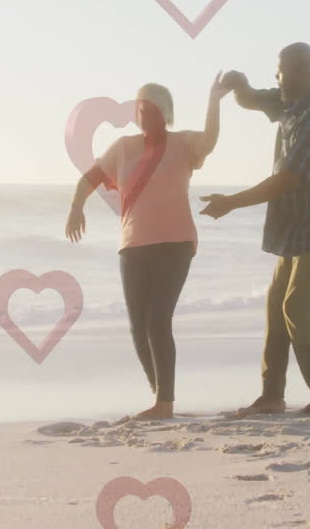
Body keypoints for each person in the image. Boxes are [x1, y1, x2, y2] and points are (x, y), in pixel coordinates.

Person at [200, 42, 310, 416]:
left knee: (297, 306)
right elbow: (256, 100)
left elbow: (287, 178)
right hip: (299, 221)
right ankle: (272, 396)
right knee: (276, 305)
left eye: (281, 71)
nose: (276, 78)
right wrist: (239, 87)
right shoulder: (294, 99)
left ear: (304, 73)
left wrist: (231, 202)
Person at [66, 73, 231, 420]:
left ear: (167, 114)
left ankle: (165, 404)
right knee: (137, 325)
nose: (146, 117)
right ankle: (159, 393)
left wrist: (214, 101)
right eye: (141, 110)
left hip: (176, 242)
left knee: (158, 320)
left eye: (153, 111)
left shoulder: (184, 144)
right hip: (133, 244)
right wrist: (76, 207)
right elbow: (90, 179)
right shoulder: (123, 148)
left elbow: (212, 139)